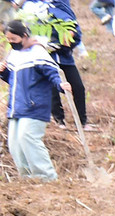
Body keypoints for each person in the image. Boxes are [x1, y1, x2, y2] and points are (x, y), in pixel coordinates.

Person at [1, 18, 63, 180]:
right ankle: (28, 179)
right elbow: (15, 81)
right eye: (9, 40)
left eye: (14, 39)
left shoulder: (38, 52)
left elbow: (52, 73)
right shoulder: (14, 55)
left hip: (35, 105)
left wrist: (61, 85)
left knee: (28, 138)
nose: (11, 43)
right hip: (16, 107)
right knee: (15, 144)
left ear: (24, 35)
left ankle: (47, 178)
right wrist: (3, 73)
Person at [19, 0, 84, 126]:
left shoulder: (61, 4)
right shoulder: (31, 6)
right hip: (45, 56)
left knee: (78, 87)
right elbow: (28, 32)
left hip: (65, 57)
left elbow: (73, 27)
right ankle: (59, 120)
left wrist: (67, 42)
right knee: (52, 87)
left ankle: (82, 121)